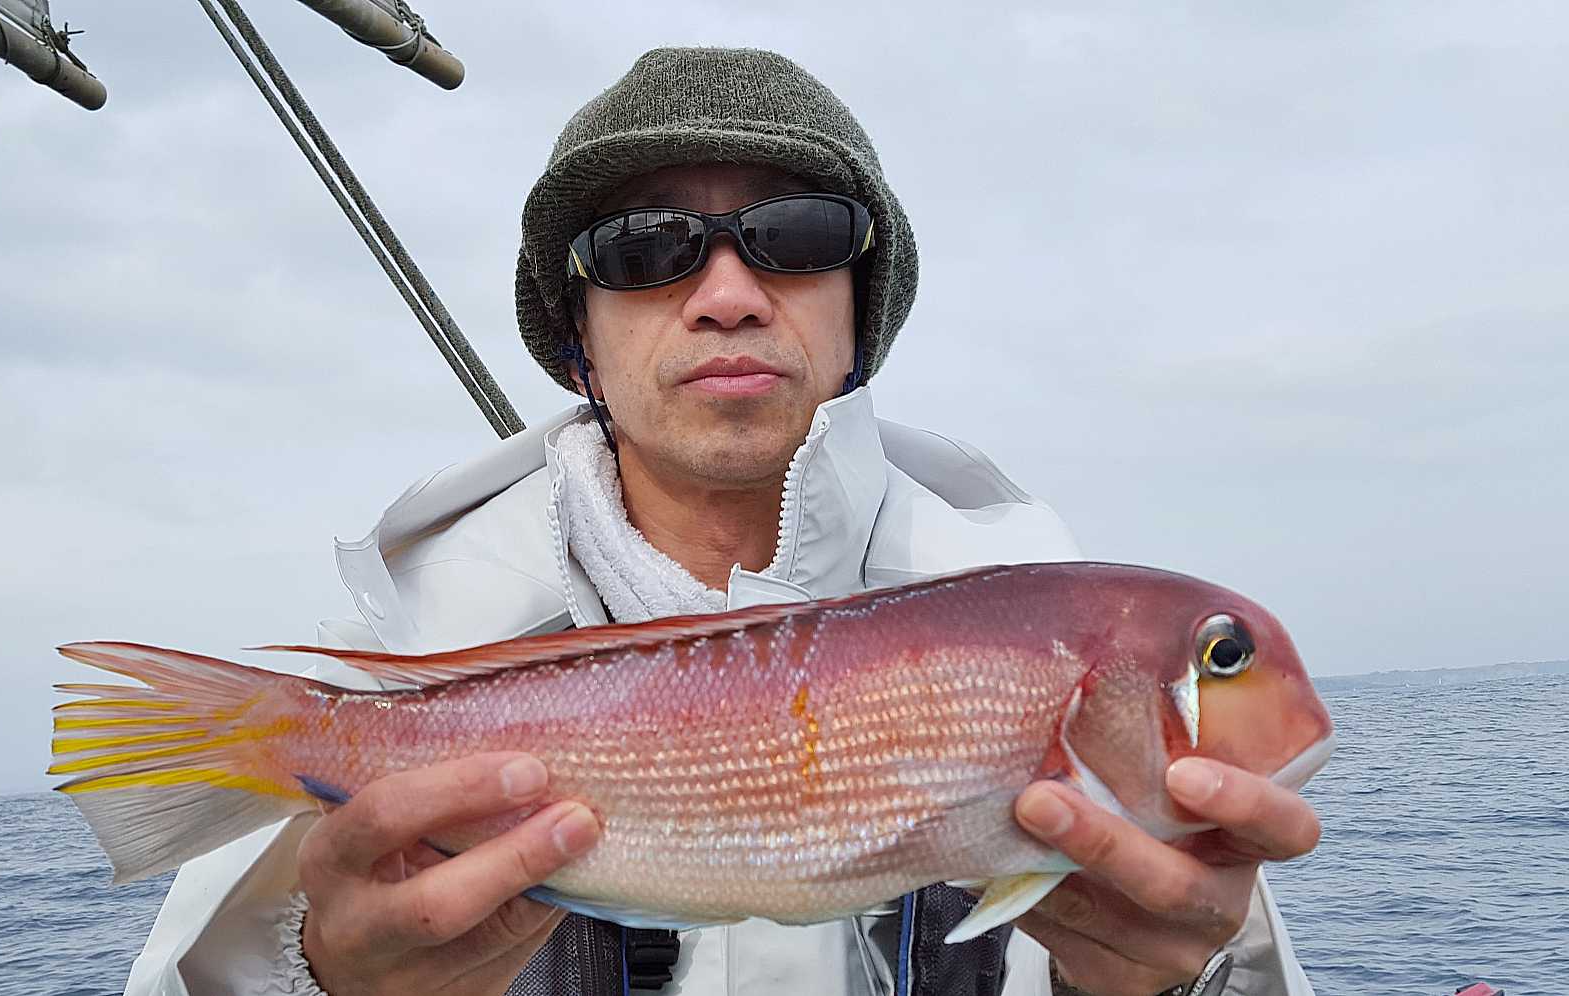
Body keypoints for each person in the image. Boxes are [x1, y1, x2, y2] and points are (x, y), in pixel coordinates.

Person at [124, 47, 1322, 996]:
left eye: (795, 236)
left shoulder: (1044, 613)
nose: (728, 295)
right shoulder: (392, 653)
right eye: (644, 249)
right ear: (577, 341)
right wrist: (322, 982)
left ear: (861, 313)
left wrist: (1168, 984)